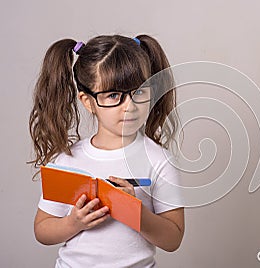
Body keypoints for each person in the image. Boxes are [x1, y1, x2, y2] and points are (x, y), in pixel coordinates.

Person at [29, 34, 185, 268]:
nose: (130, 106)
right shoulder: (67, 160)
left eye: (139, 92)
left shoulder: (159, 160)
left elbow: (173, 239)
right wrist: (75, 223)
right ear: (88, 101)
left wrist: (136, 212)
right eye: (114, 95)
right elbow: (42, 230)